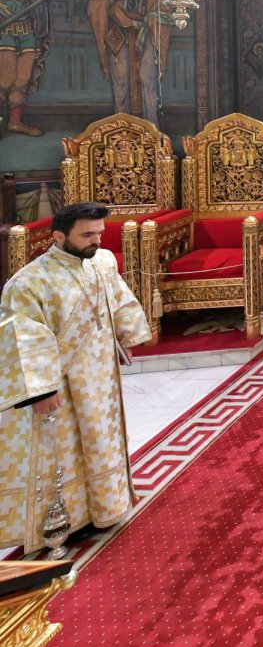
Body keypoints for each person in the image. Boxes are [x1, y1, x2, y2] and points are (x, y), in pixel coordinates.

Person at [0, 202, 151, 552]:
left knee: (101, 438)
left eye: (99, 233)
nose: (95, 241)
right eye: (86, 235)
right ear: (58, 236)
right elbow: (21, 337)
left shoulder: (102, 261)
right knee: (65, 453)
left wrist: (128, 333)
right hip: (62, 384)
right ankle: (66, 523)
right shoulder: (28, 283)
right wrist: (39, 390)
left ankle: (106, 507)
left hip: (100, 376)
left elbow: (116, 299)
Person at [87, 0, 172, 126]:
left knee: (147, 77)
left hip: (146, 35)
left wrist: (144, 18)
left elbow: (163, 11)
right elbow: (96, 5)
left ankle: (151, 127)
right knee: (120, 78)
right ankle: (122, 126)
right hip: (118, 35)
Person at [0, 0, 50, 136]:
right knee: (6, 76)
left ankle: (15, 121)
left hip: (27, 27)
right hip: (3, 28)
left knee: (23, 76)